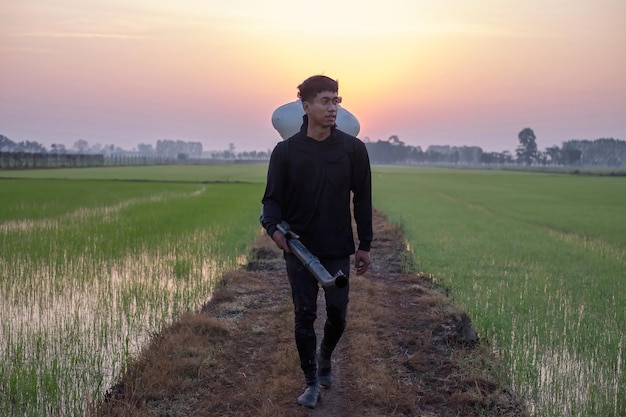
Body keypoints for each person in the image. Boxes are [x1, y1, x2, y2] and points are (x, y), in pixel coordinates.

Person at [260, 75, 373, 409]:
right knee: (304, 315)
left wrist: (364, 244)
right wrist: (274, 230)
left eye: (336, 100)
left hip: (337, 246)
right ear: (305, 107)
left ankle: (325, 358)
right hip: (299, 248)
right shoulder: (286, 152)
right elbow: (271, 202)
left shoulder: (353, 150)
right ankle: (311, 381)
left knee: (337, 315)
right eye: (325, 101)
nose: (332, 107)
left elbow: (362, 199)